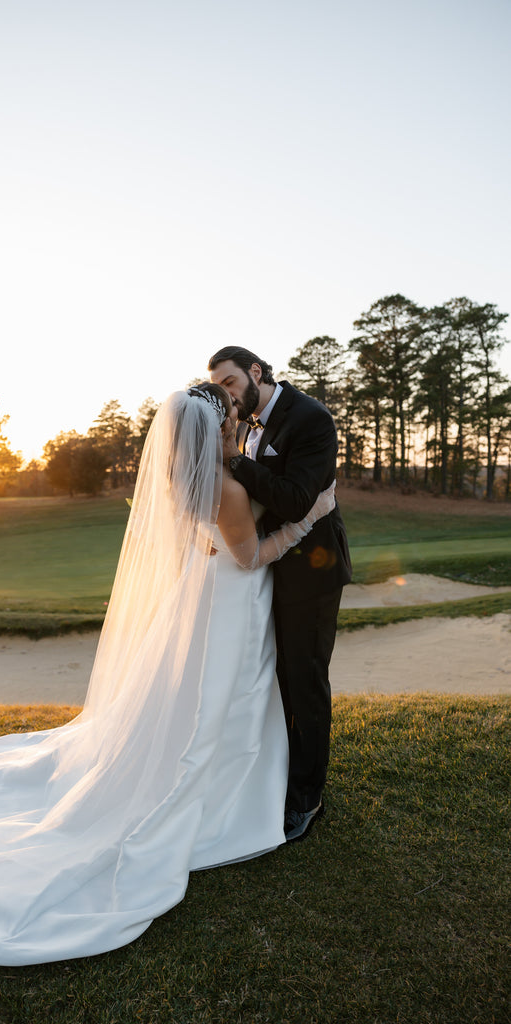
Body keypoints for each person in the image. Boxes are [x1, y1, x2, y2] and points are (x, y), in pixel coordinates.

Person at [0, 385, 336, 972]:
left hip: (206, 598)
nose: (236, 431)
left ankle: (238, 784)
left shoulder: (185, 479)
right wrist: (309, 521)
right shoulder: (222, 485)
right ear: (210, 432)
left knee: (205, 703)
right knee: (221, 704)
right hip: (231, 597)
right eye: (227, 426)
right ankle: (229, 799)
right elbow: (249, 557)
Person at [208, 347, 352, 842]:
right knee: (273, 677)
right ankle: (275, 772)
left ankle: (306, 799)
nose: (226, 394)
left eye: (229, 383)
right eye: (220, 387)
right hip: (269, 569)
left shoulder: (311, 418)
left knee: (304, 679)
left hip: (311, 570)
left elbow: (293, 500)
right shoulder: (246, 424)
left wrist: (234, 462)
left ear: (255, 372)